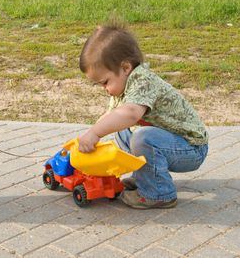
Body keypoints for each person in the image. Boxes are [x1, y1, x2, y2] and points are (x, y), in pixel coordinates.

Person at [78, 23, 208, 209]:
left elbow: (130, 114)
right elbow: (110, 117)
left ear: (125, 68)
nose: (105, 89)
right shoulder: (123, 88)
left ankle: (159, 193)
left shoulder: (143, 81)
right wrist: (89, 137)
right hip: (169, 142)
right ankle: (144, 178)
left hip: (191, 148)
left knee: (143, 137)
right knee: (122, 131)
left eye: (105, 82)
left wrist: (95, 133)